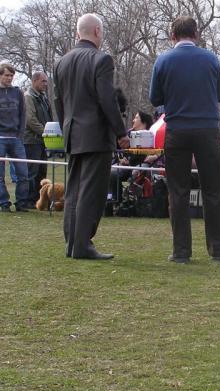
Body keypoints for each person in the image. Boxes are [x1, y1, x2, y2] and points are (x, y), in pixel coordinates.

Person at [149, 16, 220, 263]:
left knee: (179, 191)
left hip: (177, 130)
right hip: (207, 130)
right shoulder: (211, 59)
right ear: (196, 33)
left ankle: (181, 251)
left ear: (172, 35)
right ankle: (218, 250)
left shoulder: (163, 60)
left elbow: (155, 98)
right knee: (213, 190)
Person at [53, 14, 129, 259]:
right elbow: (108, 100)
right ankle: (83, 245)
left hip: (72, 133)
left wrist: (67, 125)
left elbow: (58, 101)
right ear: (97, 31)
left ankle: (72, 244)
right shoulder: (101, 60)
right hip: (96, 135)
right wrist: (121, 133)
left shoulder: (61, 62)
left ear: (78, 33)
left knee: (73, 190)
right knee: (91, 192)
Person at [0, 63, 30, 213]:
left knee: (23, 173)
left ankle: (22, 202)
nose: (9, 78)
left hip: (16, 138)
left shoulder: (17, 92)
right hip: (0, 138)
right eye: (6, 75)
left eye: (12, 75)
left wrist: (20, 133)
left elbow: (23, 114)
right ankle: (4, 203)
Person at [23, 71, 53, 207]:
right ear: (34, 81)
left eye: (46, 81)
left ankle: (39, 199)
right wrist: (46, 132)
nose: (46, 84)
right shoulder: (28, 97)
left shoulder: (43, 97)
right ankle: (28, 199)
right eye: (43, 81)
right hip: (31, 140)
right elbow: (30, 120)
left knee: (42, 170)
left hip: (42, 140)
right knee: (32, 171)